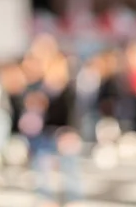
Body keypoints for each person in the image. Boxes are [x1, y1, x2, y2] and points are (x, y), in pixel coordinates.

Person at [21, 54, 82, 207]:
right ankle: (45, 198)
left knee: (70, 168)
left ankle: (73, 199)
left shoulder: (69, 89)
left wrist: (71, 133)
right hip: (45, 135)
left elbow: (74, 114)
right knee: (42, 168)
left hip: (65, 134)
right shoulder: (40, 89)